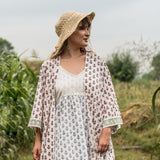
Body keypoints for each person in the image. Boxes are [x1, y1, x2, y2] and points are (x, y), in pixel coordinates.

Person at [28, 11, 123, 160]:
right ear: (68, 33)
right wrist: (38, 140)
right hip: (60, 140)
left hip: (92, 137)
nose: (87, 33)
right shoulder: (49, 67)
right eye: (81, 28)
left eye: (87, 28)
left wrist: (106, 132)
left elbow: (109, 99)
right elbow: (41, 106)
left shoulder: (97, 64)